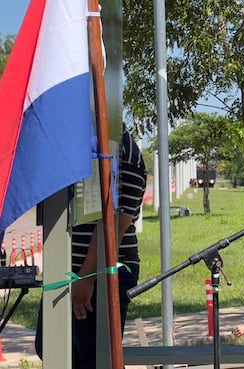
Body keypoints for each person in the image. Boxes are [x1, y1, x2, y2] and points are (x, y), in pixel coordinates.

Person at [35, 126, 147, 369]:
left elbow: (115, 223)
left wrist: (86, 278)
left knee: (94, 357)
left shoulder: (122, 150)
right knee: (50, 347)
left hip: (98, 274)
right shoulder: (78, 144)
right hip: (69, 271)